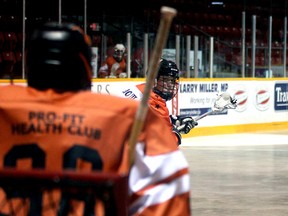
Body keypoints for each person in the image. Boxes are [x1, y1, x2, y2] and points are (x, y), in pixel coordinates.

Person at [0, 22, 191, 215]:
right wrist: (173, 133)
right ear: (84, 67)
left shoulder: (4, 104)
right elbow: (169, 197)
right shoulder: (125, 115)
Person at [119, 58, 198, 145]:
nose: (170, 85)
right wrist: (176, 134)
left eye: (172, 81)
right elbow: (166, 143)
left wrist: (175, 121)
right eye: (165, 79)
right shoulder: (157, 105)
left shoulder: (138, 88)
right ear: (154, 80)